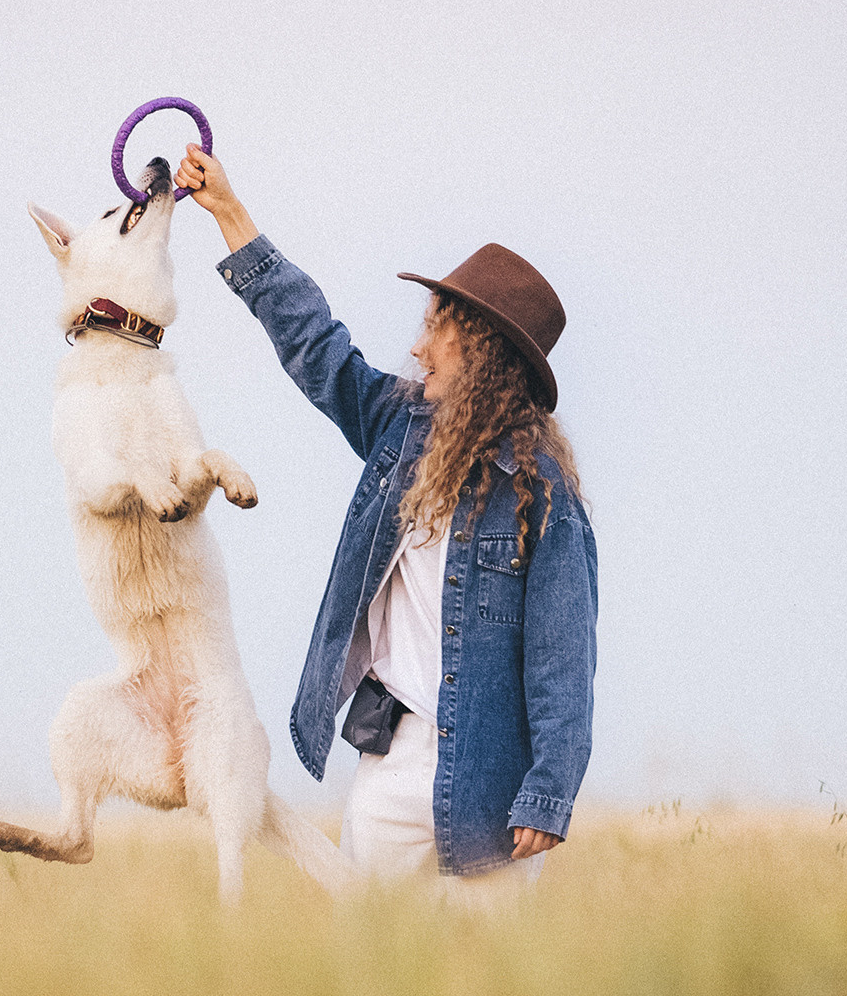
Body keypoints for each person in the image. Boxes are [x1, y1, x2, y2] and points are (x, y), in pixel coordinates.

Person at [175, 144, 598, 895]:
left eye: (439, 330)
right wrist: (231, 215)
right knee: (369, 976)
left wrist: (549, 791)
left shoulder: (547, 496)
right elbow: (316, 347)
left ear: (486, 353)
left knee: (487, 990)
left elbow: (564, 662)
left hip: (494, 785)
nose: (417, 345)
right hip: (392, 762)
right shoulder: (398, 430)